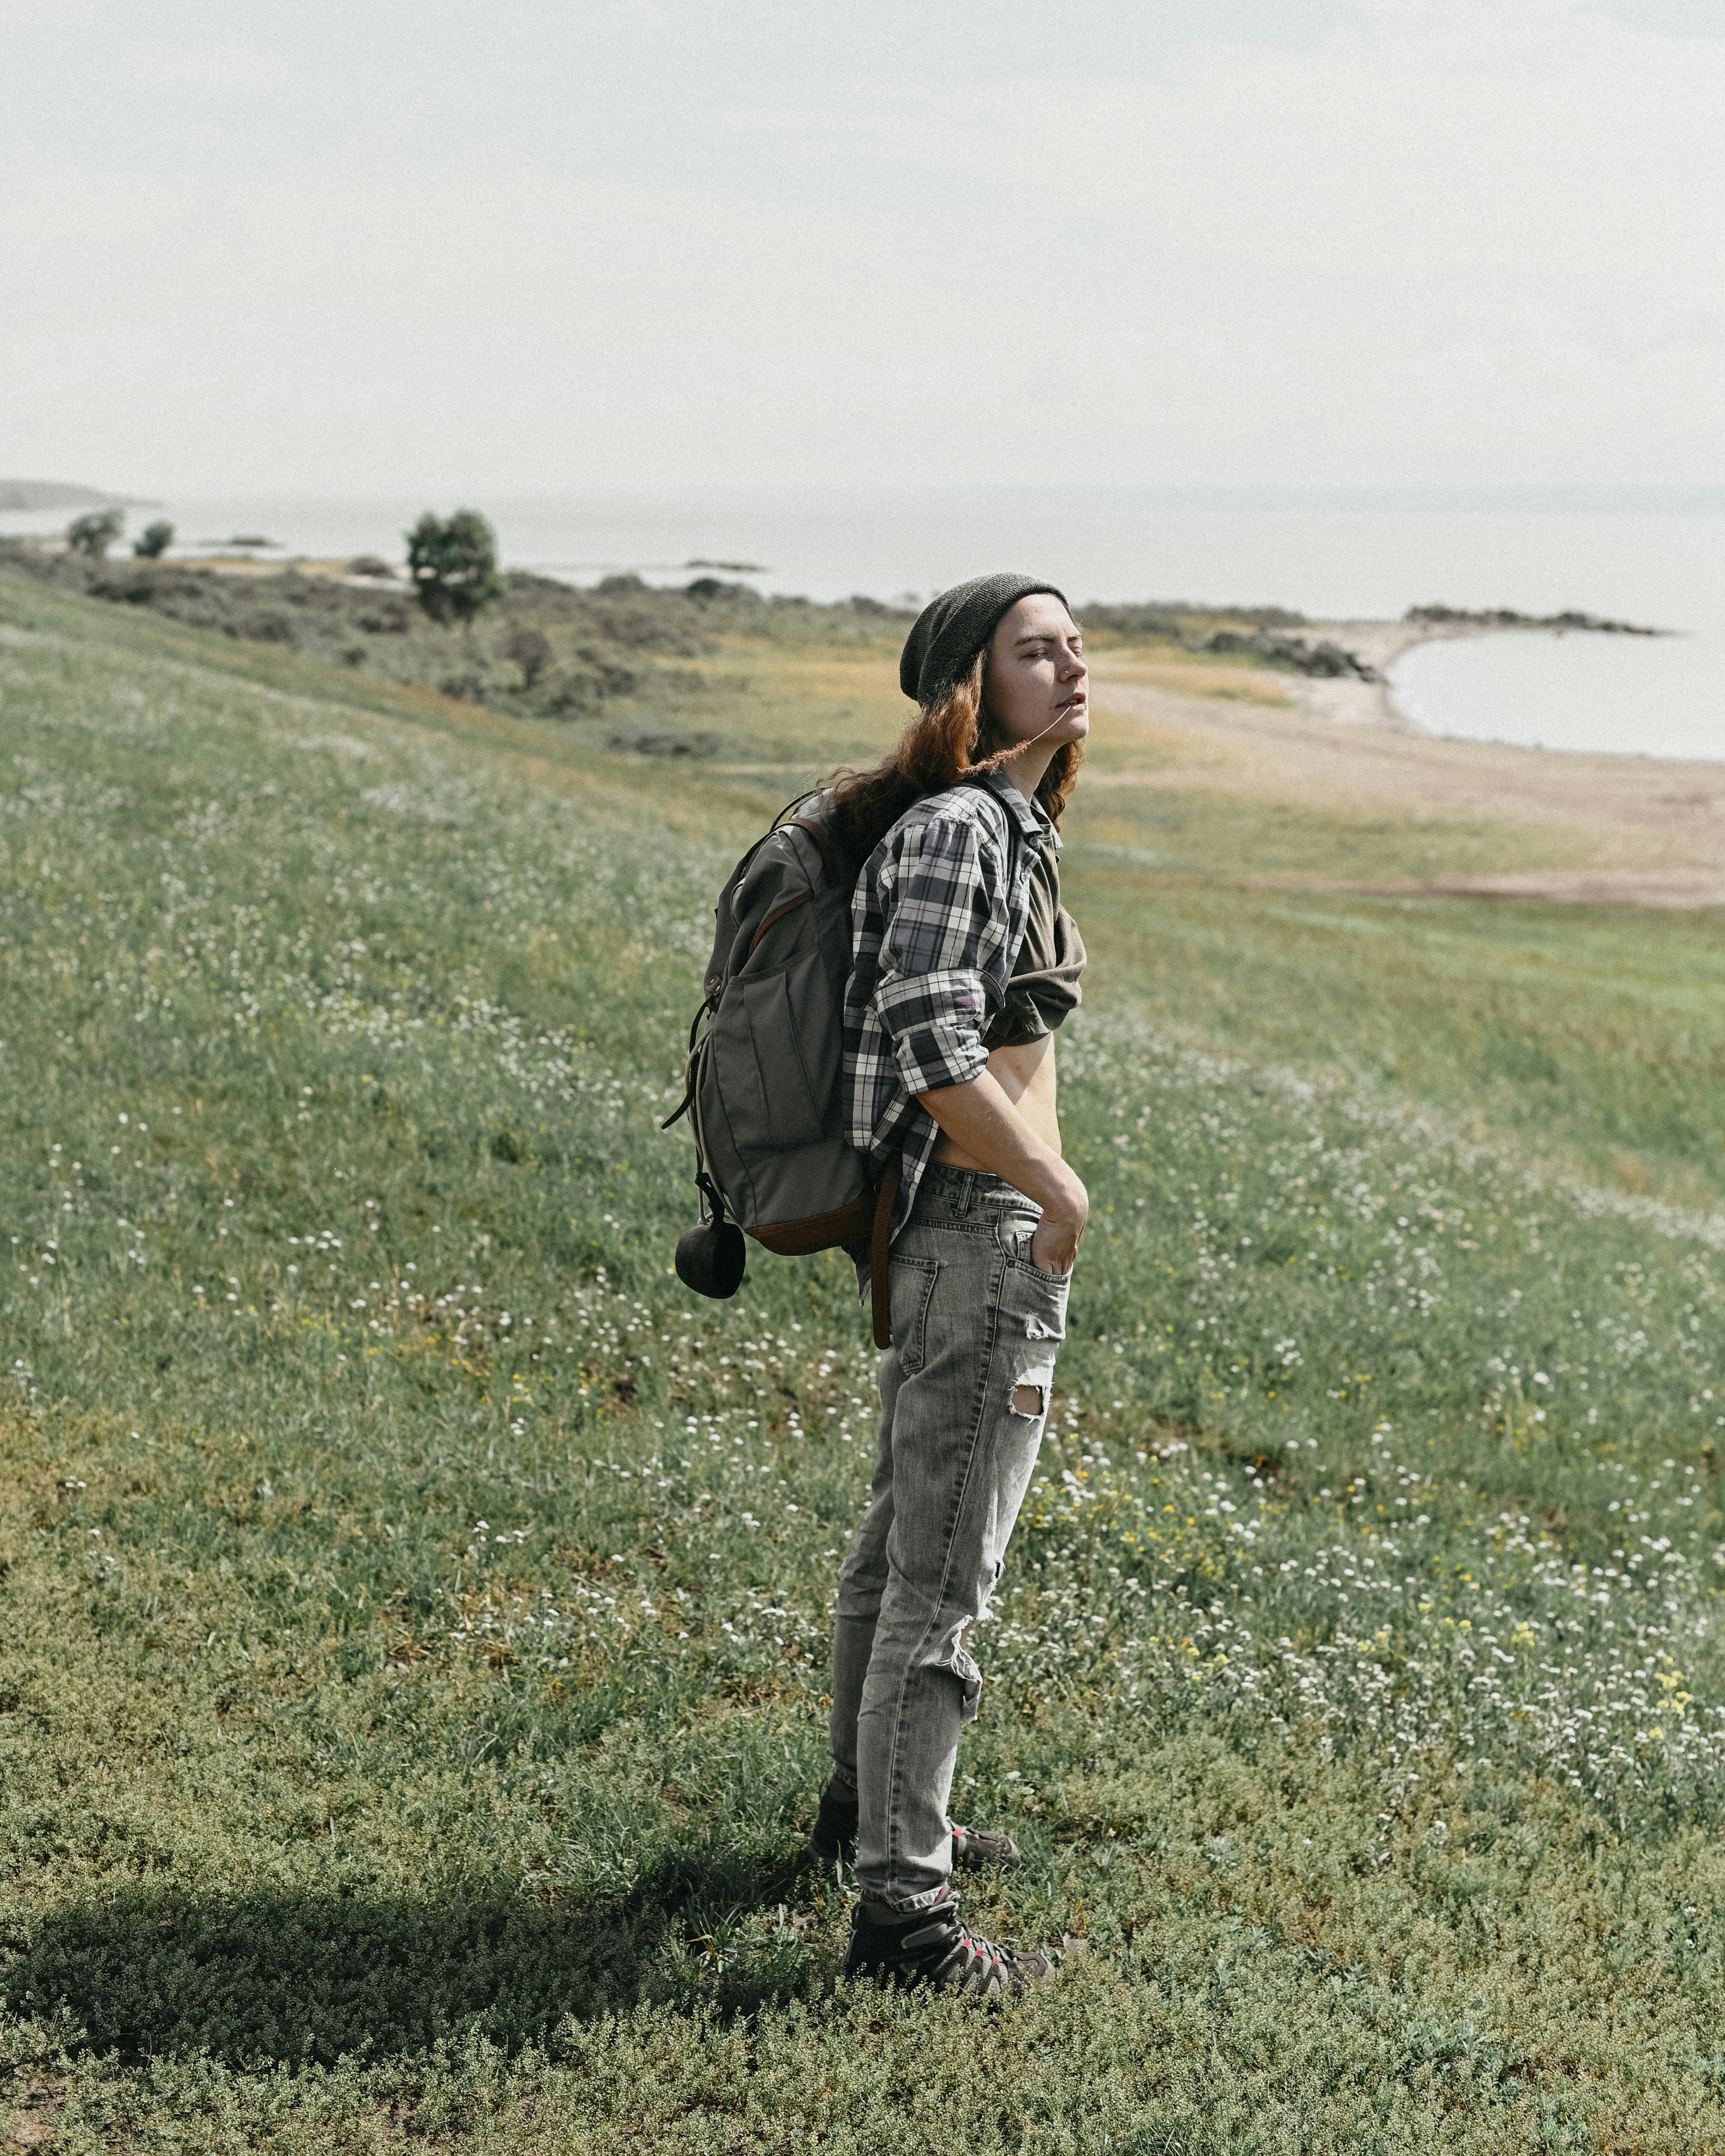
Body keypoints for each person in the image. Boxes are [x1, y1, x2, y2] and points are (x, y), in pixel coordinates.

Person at [808, 572, 1091, 2002]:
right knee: (942, 1582)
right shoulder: (959, 829)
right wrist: (1055, 1195)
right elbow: (931, 1040)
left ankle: (864, 1816)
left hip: (964, 1227)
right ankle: (903, 1920)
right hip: (975, 1228)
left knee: (894, 1543)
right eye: (1037, 648)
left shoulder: (1011, 828)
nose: (1071, 662)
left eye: (1075, 643)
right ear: (967, 686)